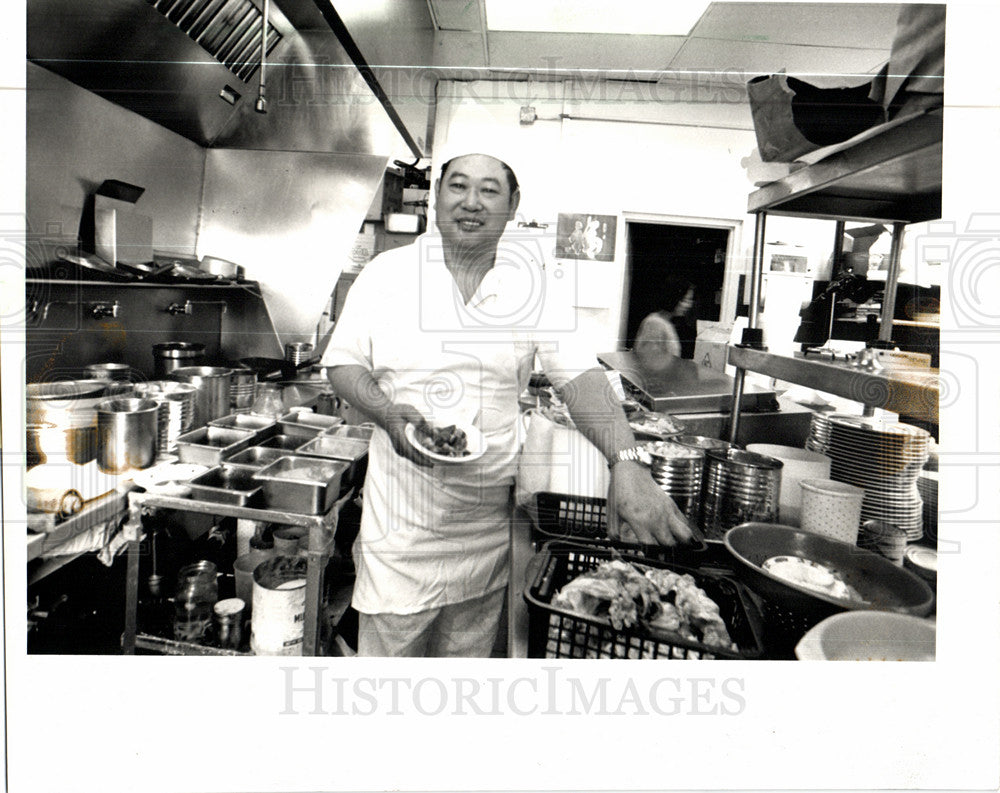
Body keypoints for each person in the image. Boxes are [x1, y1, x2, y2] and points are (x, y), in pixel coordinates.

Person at [323, 152, 693, 657]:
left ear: (512, 205)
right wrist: (388, 415)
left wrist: (627, 464)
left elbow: (581, 378)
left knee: (462, 685)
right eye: (457, 186)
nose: (471, 202)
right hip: (401, 534)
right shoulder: (389, 273)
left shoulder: (531, 285)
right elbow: (343, 364)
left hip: (484, 535)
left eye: (489, 190)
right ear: (436, 197)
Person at [633, 277, 697, 370]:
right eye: (685, 300)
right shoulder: (655, 323)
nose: (688, 305)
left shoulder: (665, 323)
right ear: (674, 298)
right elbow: (649, 362)